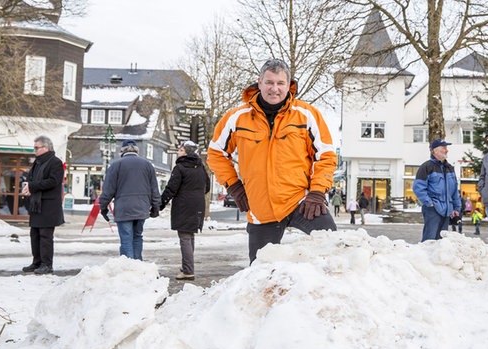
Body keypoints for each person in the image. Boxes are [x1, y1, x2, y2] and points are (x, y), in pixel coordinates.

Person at [207, 59, 338, 264]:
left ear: (289, 85)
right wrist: (234, 186)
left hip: (302, 200)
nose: (274, 89)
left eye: (280, 83)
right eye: (269, 82)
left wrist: (317, 192)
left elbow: (326, 156)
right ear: (259, 83)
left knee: (334, 249)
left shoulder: (307, 115)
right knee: (260, 272)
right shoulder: (236, 118)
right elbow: (215, 153)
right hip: (261, 207)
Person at [99, 139, 161, 260]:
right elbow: (154, 188)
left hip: (124, 208)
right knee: (137, 236)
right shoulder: (147, 165)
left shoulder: (116, 165)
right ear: (137, 151)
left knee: (126, 238)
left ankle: (128, 267)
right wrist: (156, 206)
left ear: (122, 151)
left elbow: (108, 190)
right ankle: (138, 265)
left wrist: (103, 207)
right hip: (142, 208)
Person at [159, 141, 210, 281]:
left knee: (185, 237)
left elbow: (171, 188)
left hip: (184, 205)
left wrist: (160, 204)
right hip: (198, 205)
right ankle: (188, 266)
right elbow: (207, 187)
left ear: (187, 152)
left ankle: (188, 271)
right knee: (190, 236)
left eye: (181, 150)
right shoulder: (201, 167)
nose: (178, 152)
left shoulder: (180, 167)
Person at [21, 135, 65, 275]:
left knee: (45, 236)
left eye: (37, 147)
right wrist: (28, 186)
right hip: (36, 205)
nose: (34, 150)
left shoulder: (55, 162)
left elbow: (53, 181)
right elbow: (31, 179)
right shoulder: (37, 162)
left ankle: (47, 264)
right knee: (34, 235)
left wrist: (32, 186)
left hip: (49, 206)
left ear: (46, 148)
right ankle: (37, 262)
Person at [412, 138, 462, 242]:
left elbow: (454, 191)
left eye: (446, 148)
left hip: (447, 211)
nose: (447, 150)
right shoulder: (426, 167)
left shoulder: (450, 168)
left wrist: (457, 208)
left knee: (441, 241)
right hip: (433, 210)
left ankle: (438, 258)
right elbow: (418, 187)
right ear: (435, 150)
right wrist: (429, 203)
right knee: (429, 240)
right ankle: (425, 257)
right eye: (444, 148)